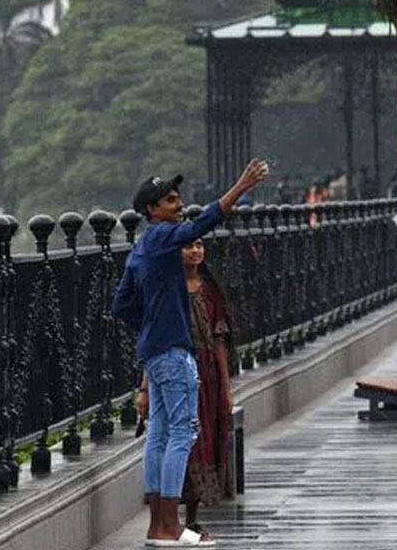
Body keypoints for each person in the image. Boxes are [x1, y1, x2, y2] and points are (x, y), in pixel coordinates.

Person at [113, 158, 268, 547]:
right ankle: (168, 525)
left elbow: (122, 305)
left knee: (160, 435)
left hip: (154, 350)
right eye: (170, 199)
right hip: (173, 352)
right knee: (183, 432)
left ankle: (158, 526)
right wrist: (241, 185)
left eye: (178, 196)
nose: (178, 202)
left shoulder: (141, 248)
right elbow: (204, 222)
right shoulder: (165, 236)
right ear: (152, 210)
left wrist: (151, 324)